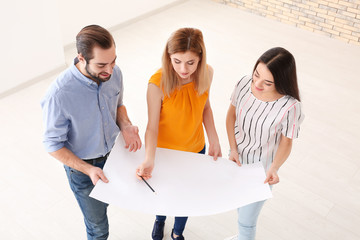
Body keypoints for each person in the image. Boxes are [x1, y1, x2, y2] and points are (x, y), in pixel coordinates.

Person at [41, 25, 142, 240]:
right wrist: (87, 169)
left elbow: (118, 104)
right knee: (98, 227)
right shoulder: (59, 95)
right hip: (84, 170)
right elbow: (52, 145)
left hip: (115, 157)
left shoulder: (114, 74)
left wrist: (125, 124)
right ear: (81, 58)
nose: (110, 69)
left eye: (113, 61)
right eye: (101, 64)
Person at [136, 28, 222, 240]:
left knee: (186, 195)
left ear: (200, 58)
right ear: (168, 57)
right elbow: (152, 127)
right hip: (165, 153)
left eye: (191, 62)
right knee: (163, 192)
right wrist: (149, 158)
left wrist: (214, 139)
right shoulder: (157, 83)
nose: (184, 69)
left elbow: (205, 108)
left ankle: (178, 233)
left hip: (195, 149)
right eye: (177, 61)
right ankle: (160, 219)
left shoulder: (207, 73)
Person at [225, 47, 304, 240]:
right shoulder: (243, 84)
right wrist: (233, 149)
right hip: (237, 159)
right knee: (239, 206)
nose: (258, 84)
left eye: (267, 82)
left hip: (263, 170)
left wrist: (275, 168)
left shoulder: (290, 107)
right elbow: (231, 115)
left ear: (282, 81)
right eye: (256, 75)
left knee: (246, 221)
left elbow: (286, 142)